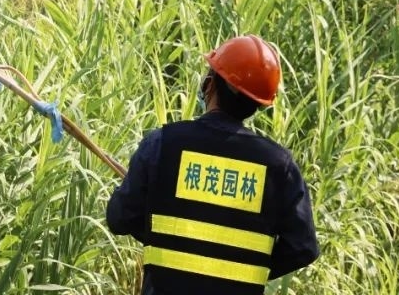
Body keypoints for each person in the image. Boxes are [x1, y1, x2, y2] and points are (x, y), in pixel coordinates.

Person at [106, 35, 319, 295]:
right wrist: (246, 268)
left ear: (210, 84)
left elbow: (119, 218)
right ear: (257, 104)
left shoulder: (163, 144)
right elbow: (303, 246)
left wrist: (170, 243)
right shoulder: (278, 167)